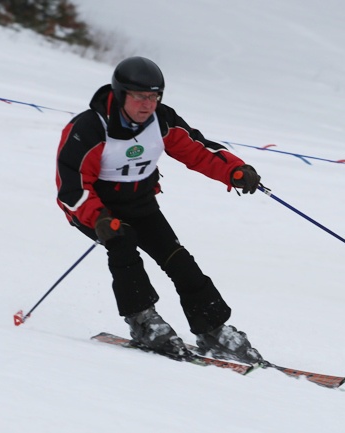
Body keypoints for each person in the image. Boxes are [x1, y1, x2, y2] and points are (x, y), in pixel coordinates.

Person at [56, 56, 263, 363]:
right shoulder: (88, 128)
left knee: (178, 259)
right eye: (139, 96)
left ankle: (213, 329)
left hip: (141, 204)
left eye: (154, 97)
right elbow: (71, 187)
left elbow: (198, 150)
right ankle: (143, 321)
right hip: (97, 212)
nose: (147, 105)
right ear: (119, 93)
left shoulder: (161, 120)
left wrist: (234, 170)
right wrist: (98, 218)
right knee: (122, 246)